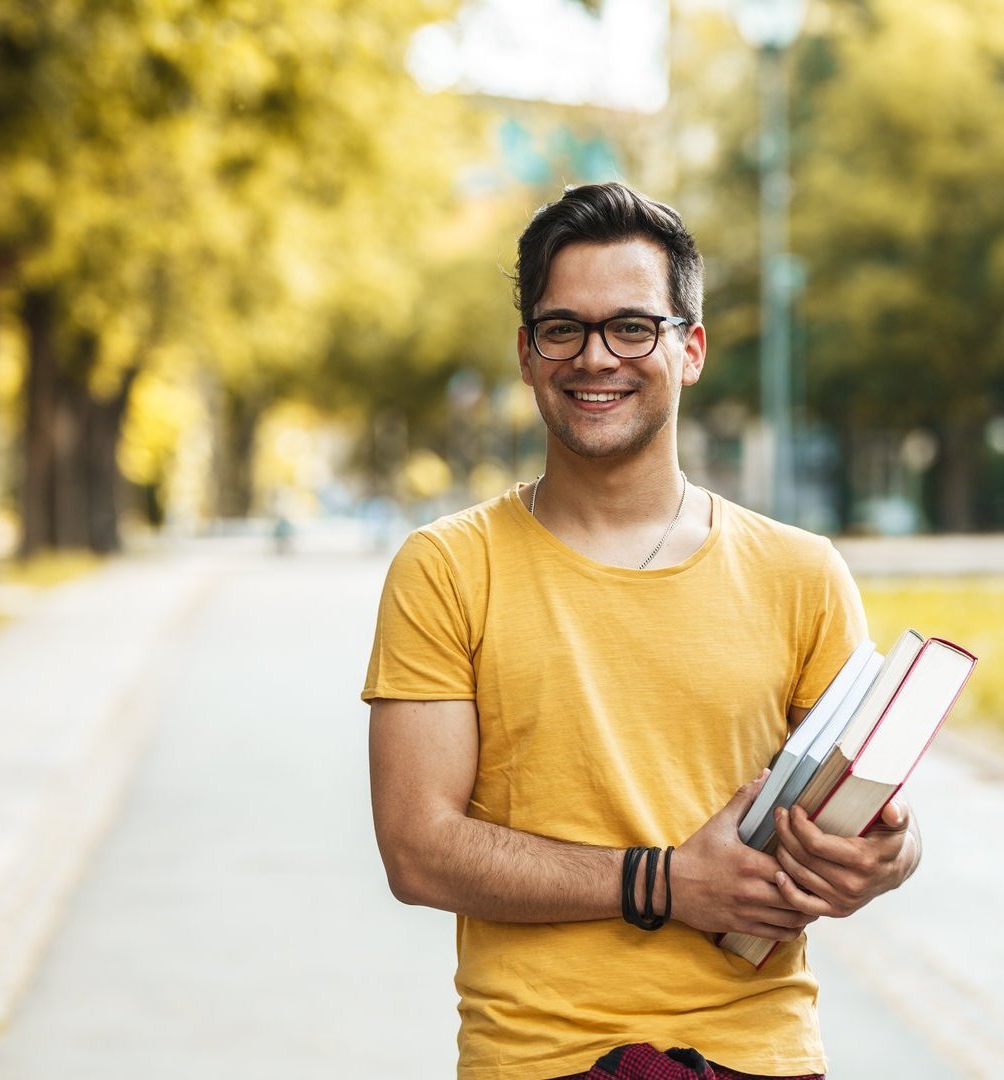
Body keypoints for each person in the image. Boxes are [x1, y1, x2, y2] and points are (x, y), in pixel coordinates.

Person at [363, 182, 920, 1080]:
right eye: (563, 329)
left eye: (632, 326)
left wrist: (888, 856)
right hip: (541, 1059)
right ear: (526, 352)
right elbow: (417, 849)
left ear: (689, 348)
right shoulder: (446, 568)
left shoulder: (803, 573)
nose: (596, 358)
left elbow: (867, 810)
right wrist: (660, 882)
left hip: (760, 1054)